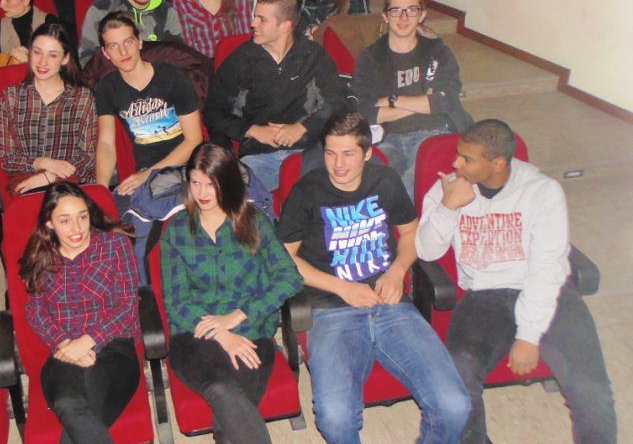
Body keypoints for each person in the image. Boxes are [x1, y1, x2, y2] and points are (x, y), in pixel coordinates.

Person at [416, 119, 617, 444]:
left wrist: (528, 335)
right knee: (459, 379)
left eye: (467, 158)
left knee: (592, 390)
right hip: (484, 296)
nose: (455, 164)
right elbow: (426, 251)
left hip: (547, 292)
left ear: (497, 163)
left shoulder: (542, 192)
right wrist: (448, 207)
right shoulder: (448, 189)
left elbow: (546, 268)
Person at [277, 111, 470, 444]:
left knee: (454, 405)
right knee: (335, 420)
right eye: (330, 153)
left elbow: (409, 233)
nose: (338, 164)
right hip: (331, 310)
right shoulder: (307, 191)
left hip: (391, 304)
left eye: (348, 153)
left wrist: (397, 271)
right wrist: (342, 287)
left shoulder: (385, 181)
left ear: (368, 153)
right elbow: (283, 258)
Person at [161, 143, 303, 444]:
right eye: (195, 183)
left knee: (229, 426)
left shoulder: (254, 221)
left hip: (251, 334)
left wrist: (239, 316)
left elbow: (290, 277)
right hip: (194, 335)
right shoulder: (176, 231)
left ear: (227, 182)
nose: (202, 193)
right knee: (222, 389)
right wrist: (221, 333)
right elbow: (175, 301)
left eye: (211, 184)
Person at [19, 182, 141, 444]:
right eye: (65, 221)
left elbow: (127, 305)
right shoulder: (43, 255)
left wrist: (87, 341)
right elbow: (35, 311)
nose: (77, 228)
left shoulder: (113, 244)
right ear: (49, 223)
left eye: (82, 217)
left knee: (79, 413)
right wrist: (65, 343)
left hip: (115, 349)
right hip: (63, 352)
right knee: (67, 401)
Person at [203, 0, 346, 191]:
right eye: (255, 17)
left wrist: (302, 127)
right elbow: (212, 112)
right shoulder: (240, 60)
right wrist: (253, 130)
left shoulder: (313, 56)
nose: (253, 24)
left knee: (328, 187)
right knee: (234, 193)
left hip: (310, 151)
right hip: (260, 155)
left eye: (262, 19)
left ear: (285, 26)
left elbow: (337, 102)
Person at [351, 0, 472, 196]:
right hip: (389, 138)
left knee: (411, 186)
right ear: (385, 16)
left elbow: (445, 101)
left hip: (433, 133)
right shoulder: (370, 57)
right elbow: (366, 113)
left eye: (411, 10)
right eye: (396, 10)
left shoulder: (437, 52)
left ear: (421, 15)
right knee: (375, 183)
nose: (404, 17)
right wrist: (423, 101)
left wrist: (392, 100)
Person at [94, 12, 202, 200]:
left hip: (188, 166)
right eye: (113, 46)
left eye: (128, 41)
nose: (123, 52)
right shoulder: (106, 87)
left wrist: (149, 174)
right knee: (117, 206)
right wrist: (101, 192)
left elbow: (194, 140)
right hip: (147, 173)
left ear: (140, 42)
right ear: (105, 53)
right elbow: (106, 144)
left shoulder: (172, 77)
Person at [0, 23, 96, 195]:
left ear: (65, 58)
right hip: (26, 181)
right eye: (37, 52)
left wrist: (50, 176)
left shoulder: (82, 97)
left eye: (52, 55)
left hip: (70, 181)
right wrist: (42, 163)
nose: (42, 62)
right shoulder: (11, 96)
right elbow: (8, 158)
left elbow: (87, 158)